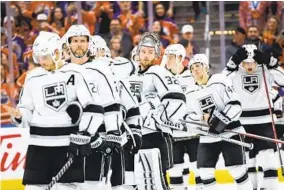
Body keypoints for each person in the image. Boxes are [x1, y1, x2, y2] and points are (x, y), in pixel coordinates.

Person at [7, 31, 106, 190]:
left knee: (67, 187)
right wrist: (19, 116)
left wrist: (84, 135)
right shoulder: (32, 77)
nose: (41, 61)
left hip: (66, 145)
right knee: (33, 187)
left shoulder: (76, 72)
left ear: (57, 52)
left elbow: (94, 108)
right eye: (39, 57)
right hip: (38, 146)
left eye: (44, 56)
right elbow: (27, 110)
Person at [65, 25, 125, 190]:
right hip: (67, 138)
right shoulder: (62, 70)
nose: (79, 45)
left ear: (88, 44)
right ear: (68, 44)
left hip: (95, 137)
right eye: (75, 41)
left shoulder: (100, 69)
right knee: (66, 184)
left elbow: (111, 103)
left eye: (82, 41)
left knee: (93, 184)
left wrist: (113, 132)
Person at [185, 53, 253, 190]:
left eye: (198, 66)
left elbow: (235, 105)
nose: (195, 70)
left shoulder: (220, 81)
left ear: (206, 67)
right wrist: (200, 120)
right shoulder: (190, 92)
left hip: (230, 132)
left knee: (237, 170)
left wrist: (220, 121)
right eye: (192, 68)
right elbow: (188, 118)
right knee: (204, 173)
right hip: (208, 137)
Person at [224, 44, 284, 190]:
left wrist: (272, 63)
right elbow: (220, 83)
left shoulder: (266, 69)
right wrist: (231, 65)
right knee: (247, 161)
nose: (249, 65)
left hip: (265, 121)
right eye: (246, 62)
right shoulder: (235, 72)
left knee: (268, 158)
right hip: (242, 122)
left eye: (252, 62)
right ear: (241, 61)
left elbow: (282, 80)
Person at [134, 32, 186, 190]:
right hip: (135, 135)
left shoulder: (158, 72)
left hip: (156, 134)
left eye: (150, 52)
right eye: (143, 51)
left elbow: (177, 98)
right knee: (140, 179)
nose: (146, 56)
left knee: (158, 180)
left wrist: (161, 117)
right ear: (138, 52)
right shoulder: (132, 75)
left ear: (156, 54)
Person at [161, 44, 201, 190]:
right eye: (166, 57)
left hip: (193, 132)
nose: (167, 60)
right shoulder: (161, 78)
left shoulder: (192, 77)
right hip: (172, 134)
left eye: (170, 57)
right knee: (175, 172)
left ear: (180, 57)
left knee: (198, 171)